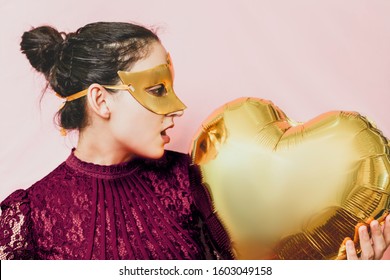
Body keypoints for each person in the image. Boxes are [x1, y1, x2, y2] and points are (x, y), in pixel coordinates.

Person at [0, 21, 389, 260]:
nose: (178, 107)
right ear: (101, 100)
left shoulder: (197, 180)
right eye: (156, 90)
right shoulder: (28, 218)